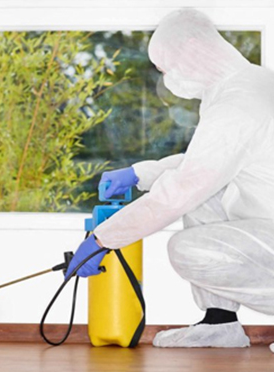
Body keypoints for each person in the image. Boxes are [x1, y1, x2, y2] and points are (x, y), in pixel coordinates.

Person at [65, 8, 274, 348]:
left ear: (193, 49)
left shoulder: (238, 104)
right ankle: (219, 322)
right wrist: (139, 174)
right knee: (205, 196)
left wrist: (102, 240)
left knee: (185, 248)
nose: (168, 78)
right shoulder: (248, 83)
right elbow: (205, 164)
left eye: (166, 67)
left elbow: (182, 189)